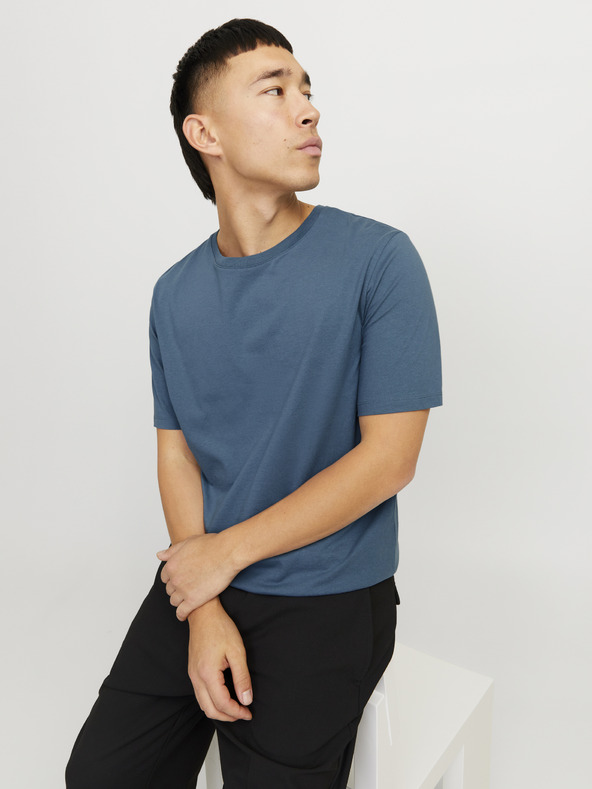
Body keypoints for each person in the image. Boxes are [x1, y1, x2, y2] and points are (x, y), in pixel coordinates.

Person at [65, 17, 442, 789]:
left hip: (329, 593)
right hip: (207, 577)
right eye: (275, 90)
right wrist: (203, 604)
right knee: (100, 775)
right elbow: (178, 451)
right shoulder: (174, 294)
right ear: (204, 132)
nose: (308, 109)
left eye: (306, 89)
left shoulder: (380, 260)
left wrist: (223, 555)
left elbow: (390, 460)